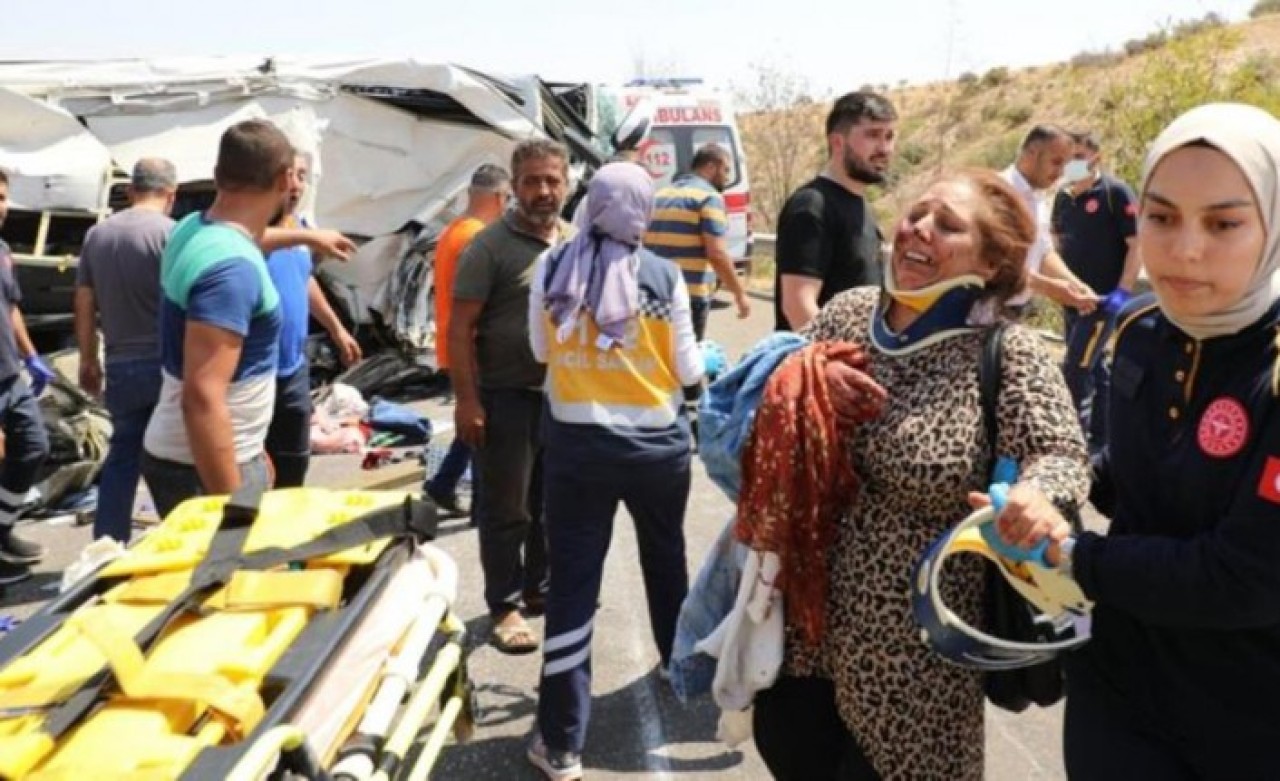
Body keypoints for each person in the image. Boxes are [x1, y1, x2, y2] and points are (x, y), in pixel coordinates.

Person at [751, 168, 1089, 780]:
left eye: (949, 225)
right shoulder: (849, 314)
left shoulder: (1004, 352)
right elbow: (754, 408)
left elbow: (1061, 451)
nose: (919, 228)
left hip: (915, 662)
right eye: (917, 213)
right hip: (806, 629)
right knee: (792, 747)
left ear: (991, 262)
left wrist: (1038, 495)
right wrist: (802, 384)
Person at [1002, 103, 1280, 780]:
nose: (1185, 250)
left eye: (1223, 223)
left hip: (1247, 716)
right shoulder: (1140, 332)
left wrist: (1077, 556)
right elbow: (1126, 475)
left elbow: (1244, 578)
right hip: (1118, 690)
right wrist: (1044, 488)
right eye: (1161, 217)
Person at [525, 163, 704, 780]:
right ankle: (679, 670)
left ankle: (563, 742)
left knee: (573, 587)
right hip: (658, 452)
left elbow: (539, 352)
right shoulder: (665, 276)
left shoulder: (551, 268)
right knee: (665, 557)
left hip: (577, 452)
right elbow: (685, 368)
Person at [450, 139, 571, 655]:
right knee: (507, 510)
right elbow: (459, 330)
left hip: (562, 400)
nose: (543, 191)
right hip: (504, 398)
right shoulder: (489, 247)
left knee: (551, 507)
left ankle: (539, 591)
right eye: (532, 181)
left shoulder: (572, 240)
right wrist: (466, 401)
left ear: (566, 184)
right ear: (513, 187)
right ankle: (503, 605)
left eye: (552, 180)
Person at [140, 119, 292, 518]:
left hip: (214, 452)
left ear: (217, 175)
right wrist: (236, 508)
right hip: (202, 466)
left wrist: (253, 450)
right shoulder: (231, 271)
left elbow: (248, 235)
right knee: (232, 580)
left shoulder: (193, 228)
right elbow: (203, 399)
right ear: (286, 179)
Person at [74, 158, 177, 543]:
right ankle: (182, 537)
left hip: (120, 363)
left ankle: (108, 543)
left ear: (132, 191)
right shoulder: (173, 234)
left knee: (123, 457)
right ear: (172, 193)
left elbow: (84, 300)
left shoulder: (97, 236)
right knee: (176, 458)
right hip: (166, 363)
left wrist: (88, 358)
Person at [261, 152, 362, 488]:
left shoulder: (301, 228)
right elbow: (250, 241)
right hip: (254, 371)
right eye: (289, 175)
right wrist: (308, 239)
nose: (296, 185)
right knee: (253, 470)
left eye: (302, 176)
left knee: (294, 461)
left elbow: (304, 279)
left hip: (293, 366)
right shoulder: (254, 228)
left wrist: (337, 329)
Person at [424, 163, 511, 514]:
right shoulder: (478, 237)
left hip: (453, 341)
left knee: (472, 427)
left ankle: (444, 485)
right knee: (483, 429)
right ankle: (481, 505)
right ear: (500, 198)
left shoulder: (452, 232)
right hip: (472, 346)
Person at [774, 90, 897, 332]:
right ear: (837, 142)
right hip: (821, 366)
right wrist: (839, 363)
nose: (884, 148)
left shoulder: (861, 205)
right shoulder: (812, 206)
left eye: (889, 136)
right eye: (873, 135)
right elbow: (798, 306)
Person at [1051, 131, 1140, 450]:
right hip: (1071, 300)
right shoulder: (1063, 197)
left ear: (1095, 158)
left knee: (1076, 369)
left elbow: (1136, 244)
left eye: (1078, 157)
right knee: (1096, 369)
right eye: (1066, 159)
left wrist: (1122, 292)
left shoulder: (1115, 193)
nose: (1071, 165)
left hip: (1101, 301)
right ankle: (1105, 441)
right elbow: (1055, 243)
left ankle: (1072, 443)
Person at [0, 170, 53, 585]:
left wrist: (32, 356)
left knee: (34, 446)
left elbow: (12, 307)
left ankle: (2, 531)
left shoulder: (2, 250)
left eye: (3, 198)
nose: (1, 206)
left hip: (10, 375)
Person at [646, 144, 750, 340]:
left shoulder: (659, 196)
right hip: (689, 297)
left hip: (654, 296)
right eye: (726, 170)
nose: (727, 178)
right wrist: (739, 294)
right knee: (687, 360)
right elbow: (717, 254)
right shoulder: (709, 198)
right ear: (711, 167)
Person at [999, 125, 1100, 315]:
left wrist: (1077, 286)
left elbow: (1044, 254)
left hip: (1014, 311)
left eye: (1066, 165)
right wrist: (1049, 287)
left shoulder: (1038, 200)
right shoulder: (998, 193)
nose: (1061, 173)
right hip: (980, 315)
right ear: (1032, 153)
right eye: (1056, 162)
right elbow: (992, 264)